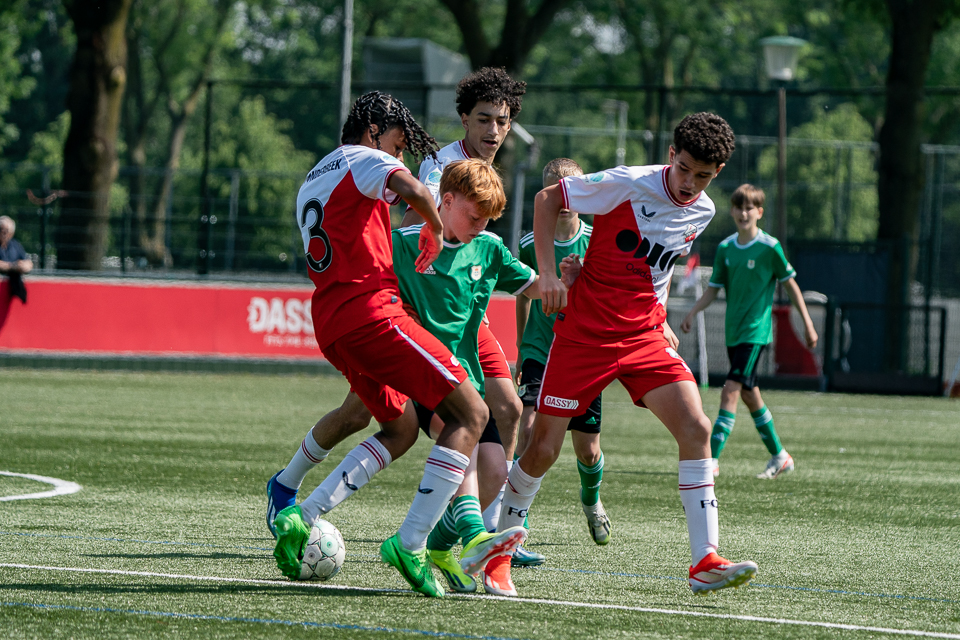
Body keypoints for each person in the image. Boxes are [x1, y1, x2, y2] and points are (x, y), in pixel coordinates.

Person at [495, 112, 760, 596]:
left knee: (697, 427)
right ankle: (498, 553)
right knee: (543, 448)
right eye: (683, 169)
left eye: (702, 176)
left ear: (717, 173)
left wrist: (658, 316)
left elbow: (654, 272)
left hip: (642, 337)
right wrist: (551, 275)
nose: (689, 183)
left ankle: (703, 560)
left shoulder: (701, 212)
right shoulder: (627, 184)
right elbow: (548, 198)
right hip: (584, 338)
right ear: (670, 156)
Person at [271, 91, 493, 599]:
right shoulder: (364, 158)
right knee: (471, 415)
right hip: (371, 311)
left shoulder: (316, 175)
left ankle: (301, 516)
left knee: (401, 426)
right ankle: (411, 542)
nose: (398, 153)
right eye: (396, 142)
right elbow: (411, 187)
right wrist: (436, 227)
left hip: (331, 319)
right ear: (373, 130)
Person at [680, 184, 818, 479]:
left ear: (759, 212)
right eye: (738, 208)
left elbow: (791, 285)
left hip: (755, 333)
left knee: (730, 390)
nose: (743, 213)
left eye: (749, 208)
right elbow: (713, 290)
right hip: (734, 333)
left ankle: (711, 460)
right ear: (731, 211)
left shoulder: (770, 247)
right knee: (749, 395)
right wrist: (692, 312)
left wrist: (806, 322)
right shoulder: (726, 249)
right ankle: (780, 456)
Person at [513, 159, 609, 566]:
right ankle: (514, 530)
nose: (564, 199)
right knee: (530, 429)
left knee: (587, 451)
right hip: (539, 352)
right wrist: (521, 345)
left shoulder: (599, 241)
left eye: (571, 189)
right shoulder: (527, 244)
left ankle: (592, 502)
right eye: (555, 189)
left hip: (583, 354)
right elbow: (521, 293)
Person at [0, 216, 33, 303]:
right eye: (1, 229)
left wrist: (24, 266)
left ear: (11, 233)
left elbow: (27, 262)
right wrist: (13, 266)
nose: (3, 232)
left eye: (6, 231)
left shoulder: (15, 245)